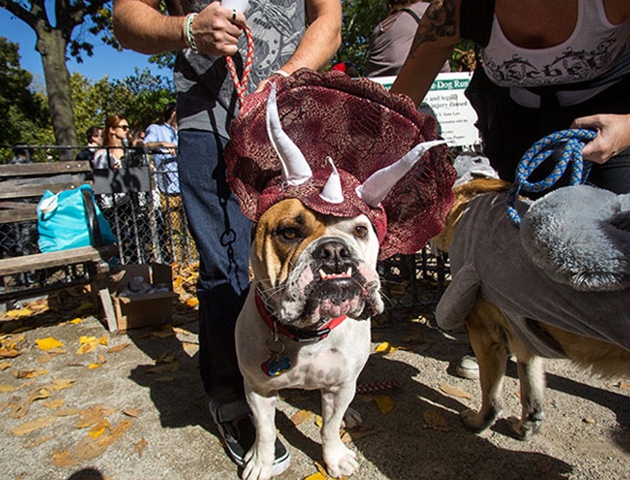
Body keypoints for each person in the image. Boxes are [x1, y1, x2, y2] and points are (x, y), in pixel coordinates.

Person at [112, 0, 342, 474]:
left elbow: (329, 22)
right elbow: (125, 21)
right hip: (207, 120)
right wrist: (186, 29)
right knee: (228, 264)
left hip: (291, 115)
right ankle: (230, 393)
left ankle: (318, 370)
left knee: (313, 246)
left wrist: (285, 76)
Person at [390, 0, 630, 379]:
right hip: (518, 126)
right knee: (512, 250)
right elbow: (397, 111)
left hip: (615, 121)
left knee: (619, 256)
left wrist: (629, 127)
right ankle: (499, 338)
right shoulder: (454, 9)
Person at [365, 0, 450, 78]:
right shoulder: (426, 9)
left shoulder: (378, 29)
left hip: (378, 85)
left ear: (390, 5)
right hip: (418, 81)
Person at [144, 102, 179, 194]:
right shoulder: (156, 129)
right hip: (168, 188)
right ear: (174, 113)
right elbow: (145, 145)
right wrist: (162, 144)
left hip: (186, 185)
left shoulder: (183, 133)